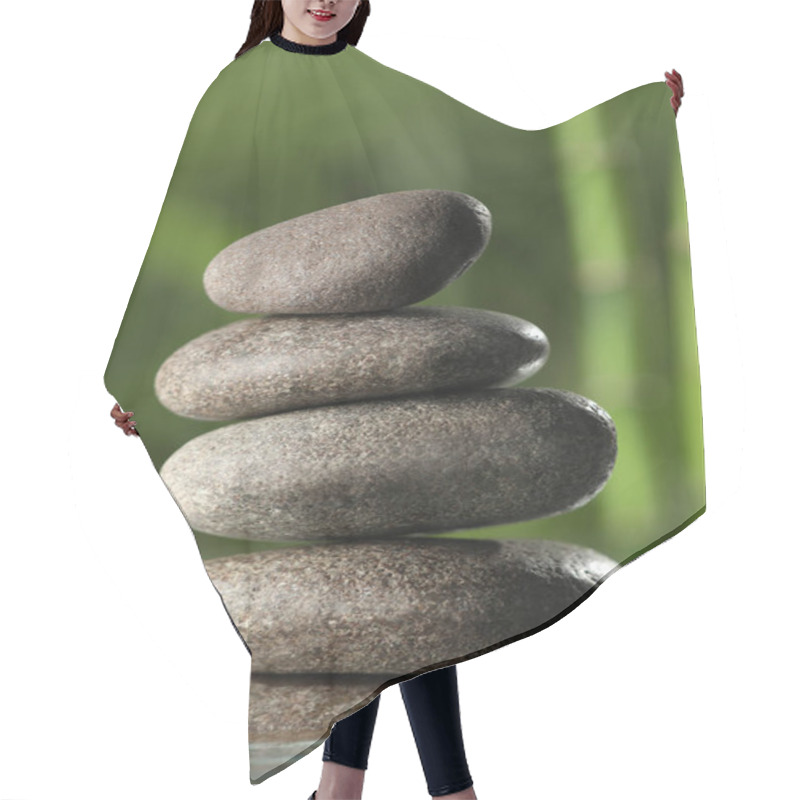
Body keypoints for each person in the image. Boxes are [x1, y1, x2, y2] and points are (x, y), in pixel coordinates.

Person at [109, 3, 685, 798]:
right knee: (384, 598)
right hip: (294, 389)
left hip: (384, 368)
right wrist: (135, 377)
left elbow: (505, 148)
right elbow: (171, 217)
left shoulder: (375, 81)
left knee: (396, 598)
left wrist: (634, 119)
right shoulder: (234, 89)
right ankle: (436, 790)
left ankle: (349, 788)